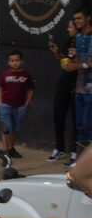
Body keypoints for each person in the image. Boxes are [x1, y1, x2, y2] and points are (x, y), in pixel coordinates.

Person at [47, 18, 78, 162]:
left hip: (78, 83)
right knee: (58, 115)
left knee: (76, 119)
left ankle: (75, 150)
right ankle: (60, 148)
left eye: (70, 26)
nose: (68, 29)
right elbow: (63, 59)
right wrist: (56, 52)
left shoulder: (84, 42)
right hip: (64, 81)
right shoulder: (69, 41)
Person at [0, 50, 34, 157]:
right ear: (8, 62)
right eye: (12, 61)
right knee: (7, 128)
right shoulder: (5, 75)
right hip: (6, 105)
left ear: (21, 61)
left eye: (17, 60)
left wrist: (26, 103)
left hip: (20, 106)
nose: (15, 63)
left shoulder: (26, 75)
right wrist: (0, 103)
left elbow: (31, 89)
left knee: (16, 129)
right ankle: (5, 150)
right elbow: (0, 89)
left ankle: (11, 147)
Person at [74, 7, 92, 151]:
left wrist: (80, 64)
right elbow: (78, 60)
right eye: (75, 19)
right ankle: (80, 158)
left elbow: (84, 62)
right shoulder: (79, 37)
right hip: (79, 87)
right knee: (80, 124)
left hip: (90, 88)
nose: (77, 21)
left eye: (79, 18)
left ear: (88, 18)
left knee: (87, 123)